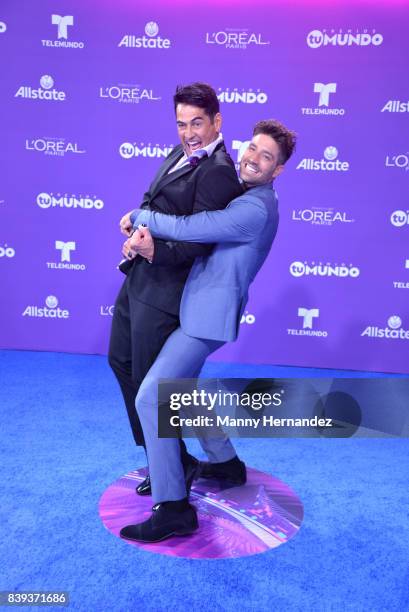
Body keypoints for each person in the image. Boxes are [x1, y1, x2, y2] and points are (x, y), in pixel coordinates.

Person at [119, 119, 297, 543]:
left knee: (153, 396)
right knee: (186, 392)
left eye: (266, 156)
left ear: (278, 170)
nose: (253, 158)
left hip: (206, 318)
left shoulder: (256, 208)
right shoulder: (249, 196)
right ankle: (225, 462)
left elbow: (189, 229)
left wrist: (141, 215)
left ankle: (172, 507)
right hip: (199, 309)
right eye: (252, 148)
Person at [108, 83, 243, 496]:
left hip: (166, 290)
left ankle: (171, 468)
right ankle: (168, 457)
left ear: (217, 121)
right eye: (182, 124)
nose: (189, 132)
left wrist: (155, 249)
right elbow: (152, 199)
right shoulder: (179, 153)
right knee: (120, 362)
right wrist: (136, 226)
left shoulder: (219, 170)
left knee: (157, 389)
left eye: (197, 123)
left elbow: (202, 241)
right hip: (139, 277)